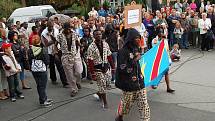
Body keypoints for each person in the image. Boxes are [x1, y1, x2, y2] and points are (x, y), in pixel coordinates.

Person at [115, 28, 150, 121]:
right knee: (126, 104)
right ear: (130, 39)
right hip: (128, 84)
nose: (138, 40)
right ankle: (120, 115)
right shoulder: (122, 52)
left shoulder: (136, 48)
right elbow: (122, 68)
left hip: (140, 82)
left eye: (139, 38)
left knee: (144, 104)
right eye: (136, 38)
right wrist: (134, 60)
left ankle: (145, 119)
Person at [87, 29, 115, 109]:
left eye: (99, 34)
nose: (98, 36)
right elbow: (90, 61)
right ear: (94, 36)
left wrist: (113, 67)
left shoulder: (106, 44)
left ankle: (99, 93)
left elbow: (109, 56)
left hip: (106, 67)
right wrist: (92, 74)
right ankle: (105, 102)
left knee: (107, 83)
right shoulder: (91, 47)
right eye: (96, 34)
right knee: (102, 85)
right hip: (97, 69)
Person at [56, 22, 83, 97]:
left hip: (75, 55)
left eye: (69, 29)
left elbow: (77, 42)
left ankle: (78, 82)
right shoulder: (60, 35)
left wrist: (81, 47)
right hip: (65, 56)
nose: (68, 31)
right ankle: (74, 89)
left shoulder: (74, 34)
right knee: (69, 75)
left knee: (78, 71)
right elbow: (55, 44)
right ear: (63, 28)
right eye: (66, 29)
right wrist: (56, 53)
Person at [28, 35, 53, 107]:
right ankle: (43, 101)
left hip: (34, 69)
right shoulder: (43, 49)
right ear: (40, 41)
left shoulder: (30, 50)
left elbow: (29, 60)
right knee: (42, 85)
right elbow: (47, 60)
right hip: (42, 69)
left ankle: (44, 98)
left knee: (39, 85)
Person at [41, 21, 68, 87]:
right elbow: (46, 44)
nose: (51, 28)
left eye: (52, 26)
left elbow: (59, 39)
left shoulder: (56, 30)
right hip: (49, 52)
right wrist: (52, 39)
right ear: (47, 26)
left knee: (60, 66)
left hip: (57, 50)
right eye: (50, 27)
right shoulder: (44, 33)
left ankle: (64, 82)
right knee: (52, 66)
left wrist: (55, 40)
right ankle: (53, 79)